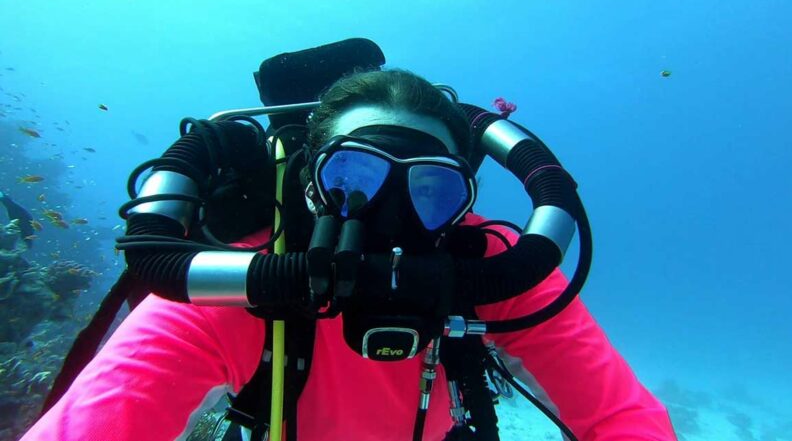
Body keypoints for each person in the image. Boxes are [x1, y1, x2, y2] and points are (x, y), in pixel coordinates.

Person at [20, 68, 677, 441]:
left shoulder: (491, 269)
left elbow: (620, 417)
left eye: (430, 187)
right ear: (309, 180)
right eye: (352, 178)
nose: (388, 213)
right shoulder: (237, 292)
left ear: (462, 201)